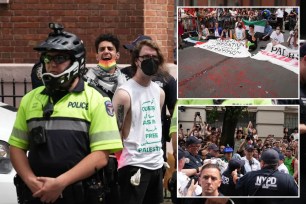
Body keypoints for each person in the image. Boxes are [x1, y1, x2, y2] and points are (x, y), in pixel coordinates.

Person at [8, 23, 123, 204]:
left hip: (78, 195)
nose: (52, 64)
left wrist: (60, 183)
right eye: (47, 58)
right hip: (37, 194)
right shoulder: (30, 99)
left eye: (60, 58)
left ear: (77, 62)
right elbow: (16, 146)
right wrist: (30, 181)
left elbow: (101, 155)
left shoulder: (96, 99)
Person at [112, 39, 166, 204]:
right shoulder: (124, 93)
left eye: (154, 58)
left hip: (157, 165)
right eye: (146, 57)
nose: (151, 61)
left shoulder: (159, 92)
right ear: (136, 60)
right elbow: (115, 132)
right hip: (134, 167)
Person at [83, 33, 128, 204]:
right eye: (102, 49)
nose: (106, 52)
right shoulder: (86, 81)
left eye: (110, 49)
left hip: (121, 148)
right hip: (94, 146)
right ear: (96, 55)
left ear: (117, 55)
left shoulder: (127, 82)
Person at [122, 35, 177, 165]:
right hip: (131, 155)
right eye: (132, 52)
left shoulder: (166, 80)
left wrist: (175, 145)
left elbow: (175, 113)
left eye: (150, 57)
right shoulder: (123, 76)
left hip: (155, 150)